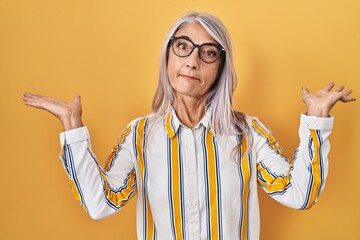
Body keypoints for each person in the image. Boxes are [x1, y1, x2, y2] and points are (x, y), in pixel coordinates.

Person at [23, 11, 355, 240]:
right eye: (183, 47)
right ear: (168, 56)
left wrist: (316, 120)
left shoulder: (246, 133)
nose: (192, 61)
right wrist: (72, 125)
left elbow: (300, 196)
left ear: (220, 69)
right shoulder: (140, 135)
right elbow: (100, 204)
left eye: (208, 53)